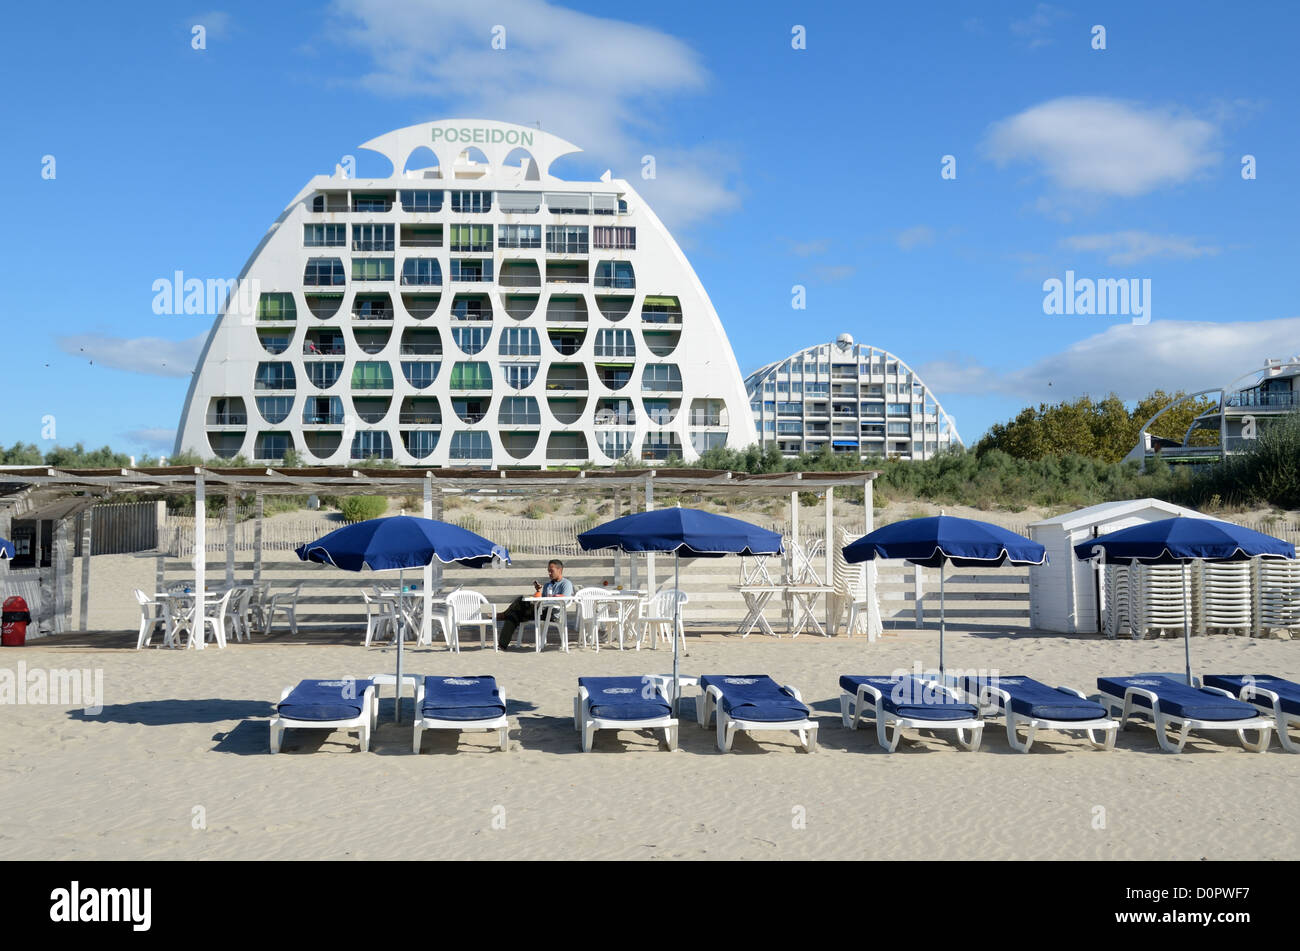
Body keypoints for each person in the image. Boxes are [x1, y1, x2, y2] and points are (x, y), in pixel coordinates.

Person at [497, 559, 574, 649]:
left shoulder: (566, 584)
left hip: (552, 614)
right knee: (514, 614)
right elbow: (543, 600)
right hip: (541, 610)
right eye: (548, 571)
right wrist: (538, 591)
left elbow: (565, 599)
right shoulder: (547, 585)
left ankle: (503, 615)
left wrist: (556, 596)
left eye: (551, 571)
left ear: (559, 570)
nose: (549, 573)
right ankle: (502, 645)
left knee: (520, 600)